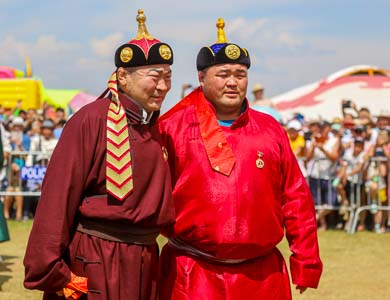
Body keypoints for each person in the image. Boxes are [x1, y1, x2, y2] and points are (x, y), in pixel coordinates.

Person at [158, 18, 322, 300]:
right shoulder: (172, 128)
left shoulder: (270, 129)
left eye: (240, 74)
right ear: (201, 77)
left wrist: (306, 261)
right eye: (223, 74)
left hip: (262, 277)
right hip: (192, 273)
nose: (233, 82)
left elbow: (295, 198)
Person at [24, 9, 175, 300]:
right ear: (122, 76)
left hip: (145, 258)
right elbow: (58, 195)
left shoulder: (154, 127)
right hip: (96, 257)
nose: (163, 86)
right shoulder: (91, 120)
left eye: (168, 76)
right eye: (154, 76)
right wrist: (52, 269)